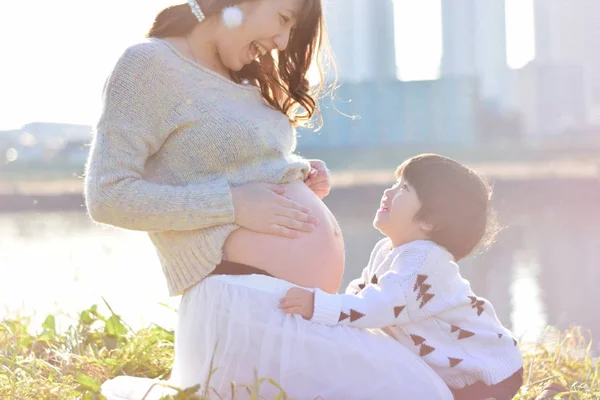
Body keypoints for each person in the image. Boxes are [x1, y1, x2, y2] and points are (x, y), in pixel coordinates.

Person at [85, 0, 453, 399]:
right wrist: (234, 204)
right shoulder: (149, 64)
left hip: (289, 305)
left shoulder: (243, 74)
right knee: (417, 389)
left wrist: (294, 172)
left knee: (420, 382)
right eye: (282, 20)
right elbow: (108, 195)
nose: (280, 42)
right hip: (239, 302)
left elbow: (226, 162)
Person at [280, 154, 525, 400]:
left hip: (485, 370)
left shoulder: (424, 262)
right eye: (395, 183)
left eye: (404, 188)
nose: (389, 192)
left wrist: (319, 305)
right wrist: (334, 310)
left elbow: (377, 305)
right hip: (445, 366)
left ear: (429, 221)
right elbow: (362, 292)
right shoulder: (387, 249)